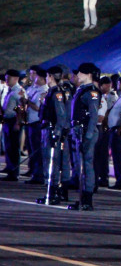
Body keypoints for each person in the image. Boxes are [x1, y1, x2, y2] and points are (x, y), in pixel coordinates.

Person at [68, 63, 100, 211]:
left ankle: (87, 198)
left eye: (80, 73)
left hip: (86, 131)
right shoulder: (82, 89)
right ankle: (82, 197)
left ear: (88, 74)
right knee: (79, 164)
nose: (77, 75)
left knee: (86, 165)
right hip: (79, 130)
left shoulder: (92, 92)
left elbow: (93, 115)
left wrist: (87, 135)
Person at [36, 66, 69, 204]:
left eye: (48, 76)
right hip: (47, 128)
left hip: (52, 130)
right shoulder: (51, 92)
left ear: (51, 76)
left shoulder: (57, 93)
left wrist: (57, 132)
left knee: (52, 162)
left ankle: (54, 191)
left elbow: (61, 115)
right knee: (48, 160)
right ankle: (51, 190)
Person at [23, 67, 48, 184]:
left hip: (37, 122)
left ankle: (38, 175)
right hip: (30, 122)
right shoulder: (32, 88)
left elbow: (38, 107)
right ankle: (33, 171)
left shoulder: (44, 90)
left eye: (35, 74)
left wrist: (27, 101)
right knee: (31, 148)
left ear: (42, 78)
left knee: (37, 150)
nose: (32, 76)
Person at [94, 76, 117, 189]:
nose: (108, 87)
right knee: (98, 154)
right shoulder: (100, 95)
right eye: (106, 85)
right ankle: (99, 176)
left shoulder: (112, 96)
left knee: (103, 154)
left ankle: (104, 177)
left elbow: (107, 113)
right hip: (102, 128)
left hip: (105, 128)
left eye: (109, 85)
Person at [1, 69, 24, 181]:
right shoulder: (10, 90)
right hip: (7, 120)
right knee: (8, 146)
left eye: (8, 78)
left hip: (13, 120)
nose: (6, 80)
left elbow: (20, 108)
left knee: (13, 147)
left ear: (16, 79)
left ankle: (14, 172)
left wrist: (17, 122)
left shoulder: (18, 91)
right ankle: (10, 169)